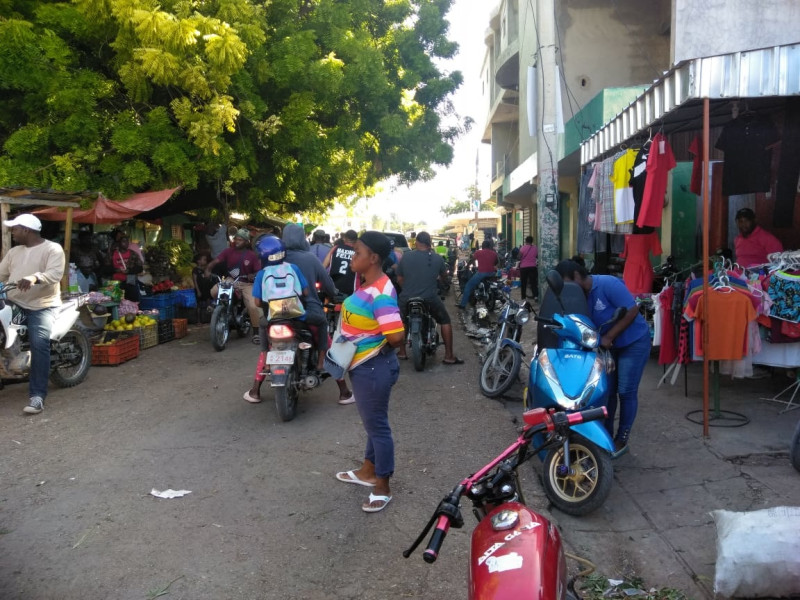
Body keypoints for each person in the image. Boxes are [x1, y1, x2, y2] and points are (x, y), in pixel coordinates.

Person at [334, 232, 404, 513]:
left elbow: (397, 337)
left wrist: (369, 343)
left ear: (373, 258)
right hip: (365, 366)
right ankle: (366, 471)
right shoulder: (369, 284)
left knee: (378, 427)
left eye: (358, 252)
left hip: (373, 368)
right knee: (373, 423)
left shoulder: (381, 293)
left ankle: (382, 485)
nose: (353, 256)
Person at [554, 259, 651, 453]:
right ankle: (605, 436)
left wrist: (609, 336)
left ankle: (622, 438)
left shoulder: (608, 284)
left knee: (626, 391)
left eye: (568, 283)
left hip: (633, 343)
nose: (567, 288)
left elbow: (632, 310)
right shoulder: (578, 296)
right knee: (607, 392)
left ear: (576, 276)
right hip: (607, 348)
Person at [0, 214, 65, 415]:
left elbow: (55, 274)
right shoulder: (14, 251)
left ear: (26, 230)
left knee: (39, 343)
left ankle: (37, 396)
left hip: (42, 305)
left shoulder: (52, 249)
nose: (13, 232)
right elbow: (1, 274)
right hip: (15, 303)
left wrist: (35, 277)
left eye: (15, 229)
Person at [282, 224, 354, 403]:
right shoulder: (309, 258)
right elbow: (328, 284)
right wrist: (333, 294)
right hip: (307, 310)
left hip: (278, 313)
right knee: (326, 336)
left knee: (270, 346)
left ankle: (255, 389)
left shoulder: (275, 258)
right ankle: (342, 390)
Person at [244, 235, 310, 403]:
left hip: (274, 319)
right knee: (310, 331)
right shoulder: (293, 268)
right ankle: (314, 358)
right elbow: (306, 292)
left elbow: (258, 301)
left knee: (263, 325)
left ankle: (266, 355)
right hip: (297, 316)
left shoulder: (262, 274)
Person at [396, 232, 464, 365]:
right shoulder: (437, 258)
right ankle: (449, 355)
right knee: (444, 320)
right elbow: (444, 276)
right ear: (429, 243)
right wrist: (443, 282)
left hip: (407, 298)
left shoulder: (406, 256)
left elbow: (399, 279)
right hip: (430, 298)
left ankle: (402, 352)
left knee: (402, 320)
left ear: (416, 242)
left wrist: (408, 289)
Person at [205, 228, 262, 344]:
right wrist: (208, 269)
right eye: (236, 239)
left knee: (253, 306)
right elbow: (215, 261)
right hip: (231, 280)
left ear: (246, 242)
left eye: (240, 240)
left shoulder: (252, 255)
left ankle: (256, 333)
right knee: (214, 291)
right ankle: (218, 307)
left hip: (246, 283)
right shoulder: (228, 251)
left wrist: (253, 275)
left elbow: (259, 271)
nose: (237, 241)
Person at [458, 239, 499, 309]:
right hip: (492, 273)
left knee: (468, 286)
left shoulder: (478, 252)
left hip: (482, 273)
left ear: (482, 246)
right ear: (489, 246)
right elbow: (496, 262)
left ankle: (462, 305)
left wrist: (467, 266)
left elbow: (472, 260)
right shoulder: (494, 253)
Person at [109, 234, 143, 301]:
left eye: (127, 241)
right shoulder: (112, 254)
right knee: (117, 302)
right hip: (116, 282)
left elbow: (140, 268)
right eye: (124, 241)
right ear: (118, 243)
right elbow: (105, 269)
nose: (126, 243)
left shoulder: (133, 254)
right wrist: (116, 270)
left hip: (130, 280)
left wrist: (129, 271)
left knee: (133, 301)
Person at [323, 229, 358, 296]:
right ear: (356, 240)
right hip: (350, 290)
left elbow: (324, 266)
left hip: (333, 288)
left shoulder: (335, 248)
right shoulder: (356, 252)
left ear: (344, 238)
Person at [518, 236, 539, 302]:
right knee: (533, 282)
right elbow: (537, 256)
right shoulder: (535, 248)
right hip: (532, 267)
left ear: (525, 241)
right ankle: (535, 296)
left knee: (523, 283)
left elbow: (519, 257)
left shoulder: (522, 248)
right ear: (532, 241)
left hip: (523, 267)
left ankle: (523, 297)